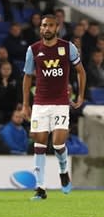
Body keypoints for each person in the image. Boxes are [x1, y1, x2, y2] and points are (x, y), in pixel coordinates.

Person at [22, 14, 86, 200]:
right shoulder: (33, 50)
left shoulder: (67, 47)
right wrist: (26, 104)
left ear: (57, 28)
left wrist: (81, 95)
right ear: (40, 28)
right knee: (39, 144)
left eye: (50, 25)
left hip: (60, 103)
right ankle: (40, 188)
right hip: (40, 104)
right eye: (44, 25)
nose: (47, 28)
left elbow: (80, 71)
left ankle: (64, 172)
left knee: (58, 144)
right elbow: (27, 77)